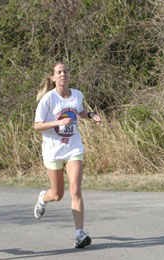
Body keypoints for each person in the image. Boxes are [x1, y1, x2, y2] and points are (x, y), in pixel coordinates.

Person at [33, 62, 101, 248]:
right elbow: (37, 125)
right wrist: (57, 123)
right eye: (59, 72)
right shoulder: (48, 99)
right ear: (53, 77)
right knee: (57, 194)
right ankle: (42, 199)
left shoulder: (77, 95)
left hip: (73, 148)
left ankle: (80, 233)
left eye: (65, 72)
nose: (63, 75)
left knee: (76, 190)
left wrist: (91, 115)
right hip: (53, 150)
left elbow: (79, 112)